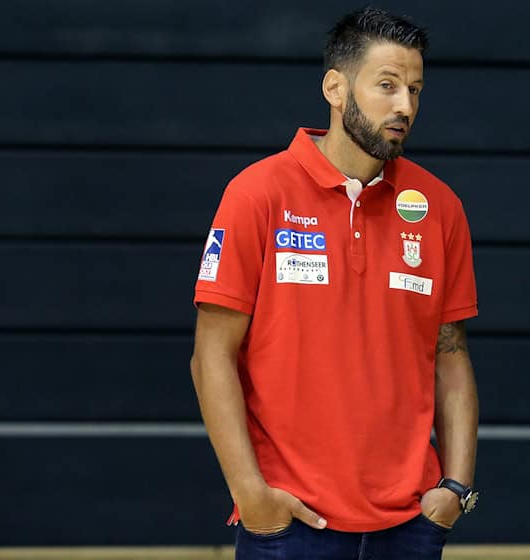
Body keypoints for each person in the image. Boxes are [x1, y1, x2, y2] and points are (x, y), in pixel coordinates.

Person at [189, 7, 480, 559]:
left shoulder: (439, 207)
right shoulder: (257, 194)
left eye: (415, 90)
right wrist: (251, 495)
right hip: (291, 523)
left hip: (412, 524)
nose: (404, 106)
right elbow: (210, 358)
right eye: (387, 85)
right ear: (336, 88)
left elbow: (452, 355)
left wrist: (456, 488)